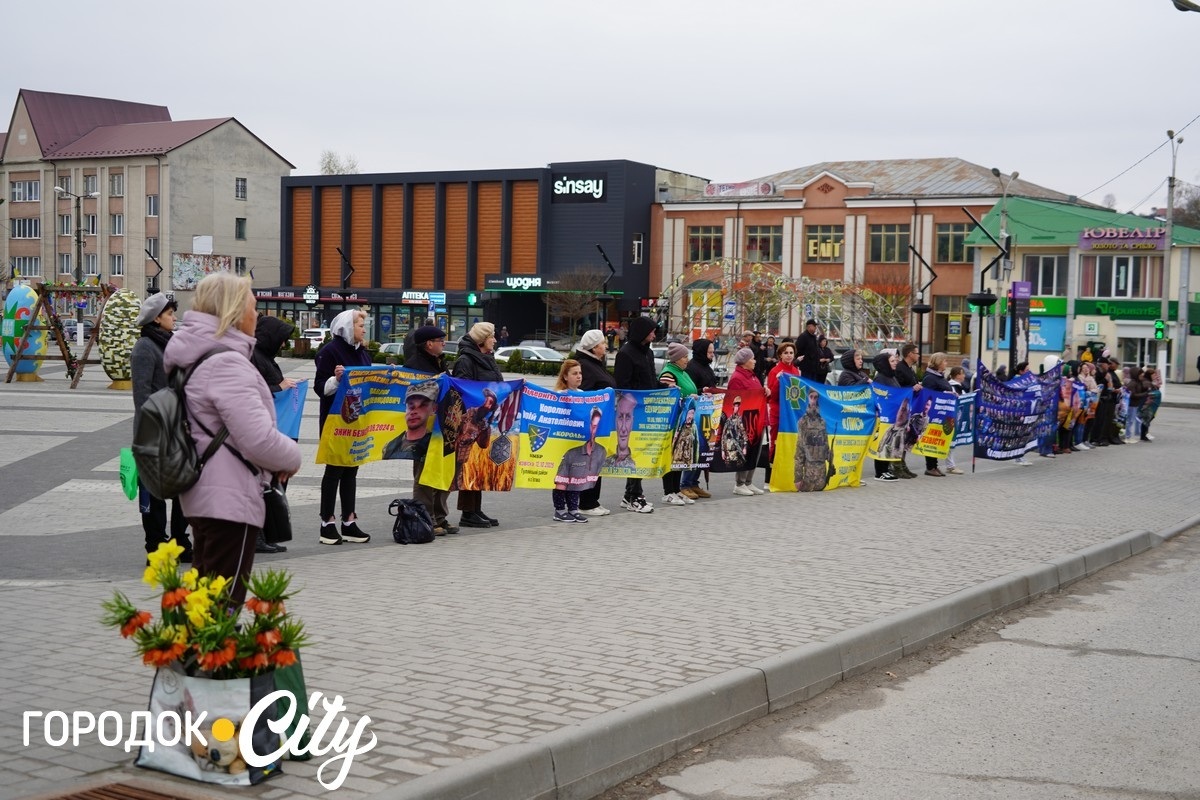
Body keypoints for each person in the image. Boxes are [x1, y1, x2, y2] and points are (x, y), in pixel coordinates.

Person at [162, 273, 301, 605]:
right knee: (222, 607)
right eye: (254, 307)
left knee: (204, 602)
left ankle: (191, 640)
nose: (257, 316)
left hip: (208, 491)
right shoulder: (226, 363)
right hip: (229, 497)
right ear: (235, 312)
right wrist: (293, 456)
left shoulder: (199, 355)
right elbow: (258, 439)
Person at [130, 293, 193, 561]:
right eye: (169, 314)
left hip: (178, 429)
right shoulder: (145, 347)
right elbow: (142, 396)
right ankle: (156, 546)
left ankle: (180, 542)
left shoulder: (169, 344)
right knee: (154, 494)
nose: (174, 318)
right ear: (156, 318)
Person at [314, 308, 374, 545]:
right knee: (334, 470)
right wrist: (336, 380)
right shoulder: (330, 351)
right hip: (335, 420)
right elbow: (320, 387)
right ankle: (326, 523)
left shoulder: (363, 353)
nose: (364, 330)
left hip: (356, 420)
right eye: (360, 325)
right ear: (348, 327)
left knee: (351, 470)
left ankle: (349, 521)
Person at [249, 314, 300, 554]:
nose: (283, 344)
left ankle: (266, 534)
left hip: (275, 429)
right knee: (263, 485)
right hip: (264, 431)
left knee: (272, 484)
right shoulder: (255, 358)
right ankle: (258, 536)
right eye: (281, 339)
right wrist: (279, 387)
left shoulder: (265, 358)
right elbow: (253, 391)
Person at [452, 321, 504, 528]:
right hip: (468, 423)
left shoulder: (487, 358)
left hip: (483, 422)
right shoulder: (466, 360)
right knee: (467, 465)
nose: (495, 340)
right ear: (482, 339)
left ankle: (476, 508)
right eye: (492, 336)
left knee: (479, 466)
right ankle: (467, 512)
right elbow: (463, 389)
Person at [613, 315, 659, 513]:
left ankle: (629, 495)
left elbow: (651, 379)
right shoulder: (626, 353)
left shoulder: (648, 353)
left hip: (647, 408)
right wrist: (636, 399)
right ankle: (635, 496)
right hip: (632, 410)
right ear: (642, 332)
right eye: (651, 332)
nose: (654, 335)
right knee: (636, 452)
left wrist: (663, 388)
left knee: (641, 452)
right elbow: (622, 384)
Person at [552, 361, 605, 523]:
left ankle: (573, 509)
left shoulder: (582, 394)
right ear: (565, 376)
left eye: (580, 373)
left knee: (576, 478)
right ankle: (559, 510)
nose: (579, 376)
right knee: (562, 479)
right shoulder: (560, 394)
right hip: (565, 444)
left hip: (578, 444)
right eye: (574, 373)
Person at [573, 329, 616, 516]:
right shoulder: (585, 366)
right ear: (593, 347)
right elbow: (582, 394)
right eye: (602, 343)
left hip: (600, 423)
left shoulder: (596, 364)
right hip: (591, 423)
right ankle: (586, 502)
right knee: (589, 461)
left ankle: (593, 500)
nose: (606, 346)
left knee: (597, 460)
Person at [657, 341, 697, 506]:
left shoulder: (682, 372)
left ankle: (676, 489)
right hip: (673, 423)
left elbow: (690, 390)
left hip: (684, 423)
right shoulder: (668, 373)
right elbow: (666, 397)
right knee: (671, 456)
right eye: (684, 356)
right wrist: (686, 398)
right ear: (675, 358)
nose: (687, 359)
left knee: (679, 455)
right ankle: (668, 492)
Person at [680, 338, 720, 500]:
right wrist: (702, 390)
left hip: (707, 413)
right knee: (694, 449)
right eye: (709, 352)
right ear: (702, 352)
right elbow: (691, 389)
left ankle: (694, 482)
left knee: (703, 449)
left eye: (712, 352)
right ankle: (685, 484)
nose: (712, 355)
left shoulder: (706, 367)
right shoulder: (692, 367)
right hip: (695, 414)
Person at [726, 347, 767, 495]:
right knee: (745, 451)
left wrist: (765, 391)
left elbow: (757, 395)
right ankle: (739, 483)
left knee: (755, 452)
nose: (755, 361)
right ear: (744, 361)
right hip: (746, 421)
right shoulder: (737, 378)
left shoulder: (752, 376)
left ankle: (749, 481)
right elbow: (734, 400)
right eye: (752, 358)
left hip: (758, 419)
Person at [765, 341, 800, 481]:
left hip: (792, 414)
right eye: (786, 353)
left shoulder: (796, 371)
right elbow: (771, 396)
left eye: (791, 353)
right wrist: (778, 381)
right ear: (780, 355)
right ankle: (769, 477)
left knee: (791, 443)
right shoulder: (775, 371)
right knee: (775, 442)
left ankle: (786, 473)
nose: (789, 355)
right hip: (778, 412)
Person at [919, 352, 952, 476]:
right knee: (931, 439)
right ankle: (930, 466)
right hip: (932, 413)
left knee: (937, 439)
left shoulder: (940, 376)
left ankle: (935, 466)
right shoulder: (930, 378)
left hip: (941, 413)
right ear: (938, 362)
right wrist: (945, 394)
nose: (946, 363)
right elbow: (928, 395)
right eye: (944, 361)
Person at [871, 350, 902, 482]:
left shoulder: (892, 376)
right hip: (884, 417)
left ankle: (886, 469)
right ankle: (880, 472)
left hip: (893, 416)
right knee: (883, 442)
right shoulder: (880, 378)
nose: (895, 363)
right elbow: (879, 396)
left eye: (895, 360)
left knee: (890, 444)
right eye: (892, 361)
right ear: (884, 363)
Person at [891, 343, 921, 477]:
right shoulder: (900, 368)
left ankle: (902, 464)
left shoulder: (910, 369)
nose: (918, 355)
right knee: (899, 437)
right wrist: (911, 388)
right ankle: (896, 466)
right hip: (901, 408)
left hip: (910, 407)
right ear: (910, 354)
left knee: (906, 437)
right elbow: (898, 388)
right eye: (917, 353)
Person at [795, 388, 832, 492]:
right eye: (811, 397)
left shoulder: (822, 422)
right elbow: (799, 451)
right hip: (808, 478)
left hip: (822, 479)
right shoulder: (803, 422)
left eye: (816, 397)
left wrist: (830, 458)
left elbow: (826, 446)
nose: (813, 400)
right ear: (807, 398)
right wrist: (798, 477)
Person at [944, 365, 967, 473]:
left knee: (953, 442)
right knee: (951, 442)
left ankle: (951, 464)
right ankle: (950, 466)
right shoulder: (951, 386)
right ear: (957, 375)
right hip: (951, 416)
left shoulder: (960, 386)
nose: (964, 376)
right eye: (963, 374)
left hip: (958, 416)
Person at [795, 319, 824, 384]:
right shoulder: (803, 336)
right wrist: (800, 361)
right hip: (806, 367)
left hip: (814, 368)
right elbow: (797, 349)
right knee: (806, 385)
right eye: (814, 326)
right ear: (809, 326)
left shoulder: (814, 337)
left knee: (813, 386)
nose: (815, 328)